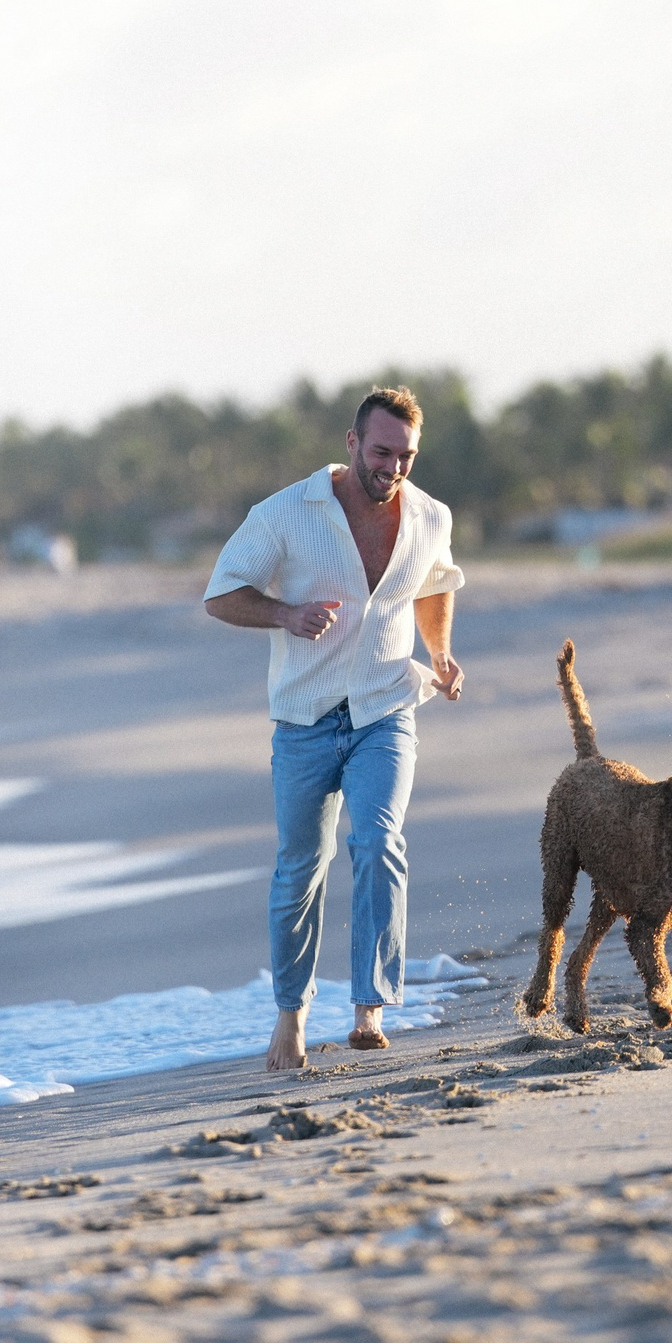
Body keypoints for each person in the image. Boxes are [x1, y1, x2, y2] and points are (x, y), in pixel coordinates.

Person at [203, 387, 466, 1069]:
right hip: (304, 720)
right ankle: (290, 1020)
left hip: (386, 709)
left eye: (406, 455)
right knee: (300, 870)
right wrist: (286, 616)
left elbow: (435, 584)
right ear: (352, 445)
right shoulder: (287, 513)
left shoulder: (430, 516)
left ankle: (369, 1009)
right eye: (382, 452)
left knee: (379, 840)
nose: (393, 467)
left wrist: (437, 653)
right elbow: (221, 593)